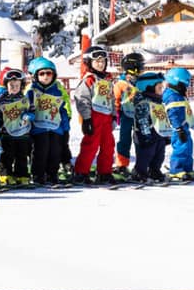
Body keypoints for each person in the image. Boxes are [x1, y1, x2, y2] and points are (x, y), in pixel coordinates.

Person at [72, 45, 116, 186]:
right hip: (94, 117)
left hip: (106, 118)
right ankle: (81, 172)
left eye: (103, 61)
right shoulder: (89, 79)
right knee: (90, 145)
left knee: (108, 146)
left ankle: (104, 173)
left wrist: (114, 115)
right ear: (89, 63)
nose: (100, 64)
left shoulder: (108, 80)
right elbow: (82, 98)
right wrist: (86, 118)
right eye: (97, 61)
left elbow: (112, 99)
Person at [26, 57, 69, 187]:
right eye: (42, 73)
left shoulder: (57, 91)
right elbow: (25, 108)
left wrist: (65, 127)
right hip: (38, 128)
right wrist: (29, 116)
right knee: (41, 151)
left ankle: (52, 174)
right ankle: (38, 174)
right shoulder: (31, 91)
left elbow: (62, 109)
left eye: (48, 73)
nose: (45, 76)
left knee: (55, 151)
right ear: (35, 75)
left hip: (55, 127)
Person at [129, 72, 169, 184]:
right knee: (146, 155)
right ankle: (139, 172)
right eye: (159, 87)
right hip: (145, 135)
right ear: (149, 87)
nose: (162, 90)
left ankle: (154, 171)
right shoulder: (143, 102)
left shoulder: (158, 102)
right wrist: (146, 135)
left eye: (162, 87)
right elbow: (142, 120)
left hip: (158, 134)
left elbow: (162, 118)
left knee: (159, 155)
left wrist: (166, 134)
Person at [0, 68, 32, 185]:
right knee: (7, 155)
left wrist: (28, 115)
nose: (14, 88)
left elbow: (32, 111)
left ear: (21, 86)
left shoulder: (25, 99)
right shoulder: (2, 100)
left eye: (17, 85)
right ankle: (5, 174)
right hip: (7, 133)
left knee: (22, 155)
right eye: (11, 85)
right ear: (6, 85)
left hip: (23, 133)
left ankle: (21, 175)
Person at [113, 52, 145, 176]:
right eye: (140, 66)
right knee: (124, 140)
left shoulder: (142, 81)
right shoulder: (121, 83)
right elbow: (115, 99)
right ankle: (122, 165)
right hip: (126, 115)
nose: (142, 69)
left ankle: (141, 166)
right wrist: (115, 116)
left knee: (141, 140)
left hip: (141, 116)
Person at [163, 67, 194, 182]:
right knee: (180, 148)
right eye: (184, 84)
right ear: (177, 83)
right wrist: (178, 128)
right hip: (177, 129)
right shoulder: (172, 96)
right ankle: (176, 170)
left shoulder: (177, 94)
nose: (186, 87)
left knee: (188, 147)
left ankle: (187, 169)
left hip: (184, 127)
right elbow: (172, 114)